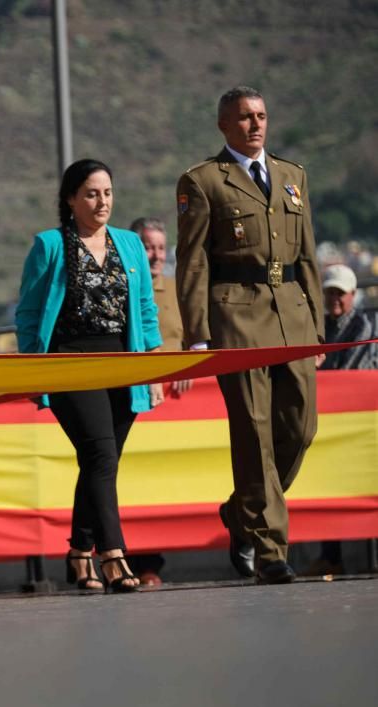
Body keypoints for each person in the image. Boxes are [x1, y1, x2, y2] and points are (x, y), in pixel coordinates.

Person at [175, 86, 325, 585]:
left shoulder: (292, 176)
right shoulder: (203, 181)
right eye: (243, 118)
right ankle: (270, 550)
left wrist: (318, 328)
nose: (255, 125)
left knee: (301, 427)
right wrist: (197, 333)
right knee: (255, 435)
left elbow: (306, 257)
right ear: (224, 125)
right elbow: (192, 259)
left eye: (261, 115)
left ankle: (241, 512)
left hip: (293, 316)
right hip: (236, 317)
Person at [16, 160, 162, 593]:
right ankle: (113, 554)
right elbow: (27, 313)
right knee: (100, 454)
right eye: (92, 194)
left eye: (108, 193)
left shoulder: (131, 244)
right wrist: (32, 367)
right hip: (70, 363)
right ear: (70, 199)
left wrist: (152, 368)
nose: (102, 202)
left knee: (102, 460)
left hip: (124, 362)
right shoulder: (50, 245)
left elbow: (146, 311)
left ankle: (80, 553)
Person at [125, 216, 192, 586]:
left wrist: (183, 367)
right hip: (133, 400)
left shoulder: (178, 291)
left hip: (173, 412)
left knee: (163, 483)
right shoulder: (123, 288)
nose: (155, 255)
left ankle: (151, 564)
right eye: (148, 246)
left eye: (161, 248)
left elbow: (192, 341)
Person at [304, 264, 378, 575]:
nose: (334, 298)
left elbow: (348, 372)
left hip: (357, 424)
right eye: (330, 292)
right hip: (334, 421)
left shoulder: (362, 326)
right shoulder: (322, 326)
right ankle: (330, 555)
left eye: (340, 293)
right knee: (328, 487)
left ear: (352, 295)